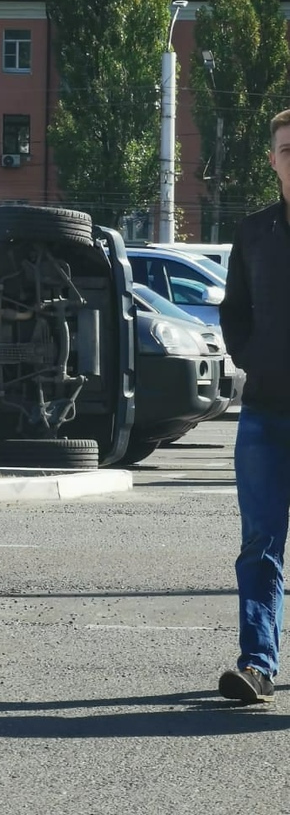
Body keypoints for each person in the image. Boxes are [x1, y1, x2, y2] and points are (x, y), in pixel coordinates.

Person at [217, 107, 290, 704]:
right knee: (259, 544)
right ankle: (257, 665)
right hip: (266, 416)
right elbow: (232, 311)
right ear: (273, 161)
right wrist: (251, 358)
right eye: (287, 150)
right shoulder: (254, 233)